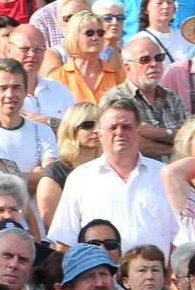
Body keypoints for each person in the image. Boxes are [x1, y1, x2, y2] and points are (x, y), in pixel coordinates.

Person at [46, 98, 172, 253]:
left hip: (155, 275)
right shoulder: (80, 178)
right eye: (112, 127)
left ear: (138, 132)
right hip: (100, 276)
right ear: (100, 135)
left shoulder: (165, 176)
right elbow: (65, 242)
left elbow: (179, 239)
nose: (120, 132)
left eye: (126, 127)